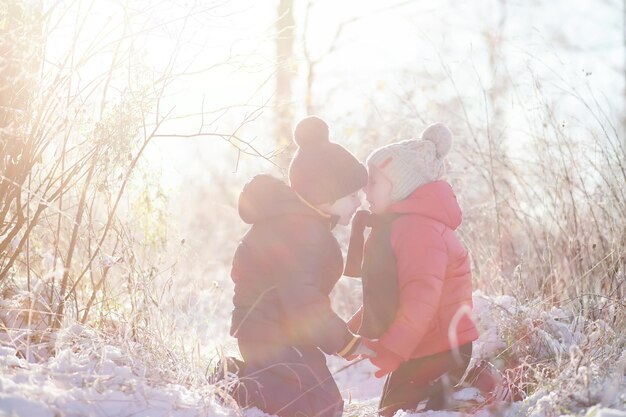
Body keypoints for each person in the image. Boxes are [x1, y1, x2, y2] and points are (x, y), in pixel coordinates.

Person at [223, 116, 374, 417]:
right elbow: (303, 299)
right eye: (353, 195)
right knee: (323, 407)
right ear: (326, 195)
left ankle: (243, 377)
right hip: (268, 333)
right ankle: (232, 382)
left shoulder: (303, 225)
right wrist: (346, 342)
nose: (359, 202)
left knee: (325, 402)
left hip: (281, 332)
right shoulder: (301, 231)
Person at [344, 123, 480, 416]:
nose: (365, 188)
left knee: (398, 411)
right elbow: (395, 290)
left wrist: (393, 348)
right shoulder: (404, 225)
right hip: (422, 344)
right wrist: (355, 327)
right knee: (391, 409)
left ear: (400, 186)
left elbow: (421, 295)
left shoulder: (419, 229)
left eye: (373, 182)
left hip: (442, 347)